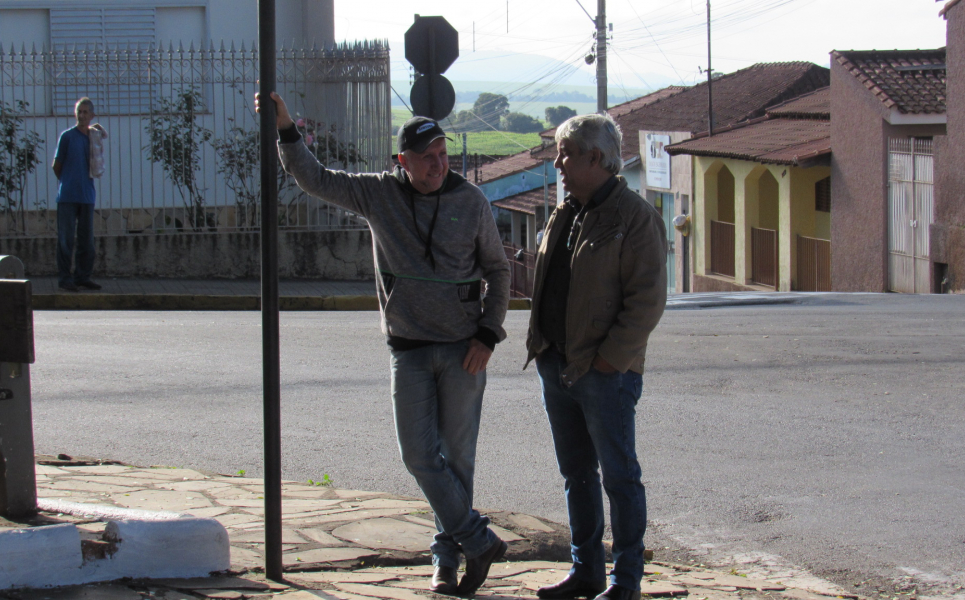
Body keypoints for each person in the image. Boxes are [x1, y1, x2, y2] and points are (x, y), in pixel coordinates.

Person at [261, 92, 511, 597]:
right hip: (409, 349)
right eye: (426, 158)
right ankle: (478, 541)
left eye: (443, 155)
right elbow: (315, 179)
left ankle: (446, 561)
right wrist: (287, 130)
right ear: (403, 162)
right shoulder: (379, 194)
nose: (438, 165)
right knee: (419, 456)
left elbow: (499, 270)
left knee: (456, 459)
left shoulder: (471, 201)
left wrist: (488, 333)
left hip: (465, 347)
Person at [525, 113, 667, 600]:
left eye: (565, 154)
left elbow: (646, 301)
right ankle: (585, 569)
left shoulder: (634, 216)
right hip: (557, 364)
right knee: (576, 474)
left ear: (595, 158)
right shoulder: (567, 212)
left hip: (604, 372)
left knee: (620, 476)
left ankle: (625, 579)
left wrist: (610, 360)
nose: (558, 164)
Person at [53, 97, 106, 291]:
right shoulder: (67, 137)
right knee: (65, 241)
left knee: (86, 241)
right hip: (67, 196)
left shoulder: (94, 138)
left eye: (85, 112)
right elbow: (56, 165)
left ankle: (82, 276)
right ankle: (65, 279)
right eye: (79, 112)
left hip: (86, 196)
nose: (82, 115)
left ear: (92, 115)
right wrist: (68, 181)